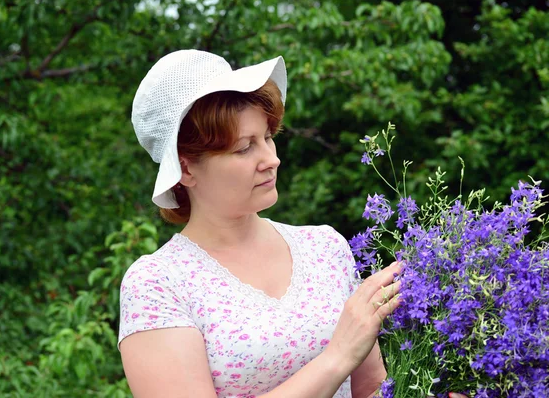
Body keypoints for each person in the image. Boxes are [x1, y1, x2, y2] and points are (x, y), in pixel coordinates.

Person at [118, 50, 467, 398]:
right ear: (187, 168)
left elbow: (372, 390)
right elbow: (342, 357)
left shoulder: (324, 248)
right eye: (244, 148)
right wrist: (337, 357)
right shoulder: (158, 284)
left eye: (268, 137)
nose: (272, 159)